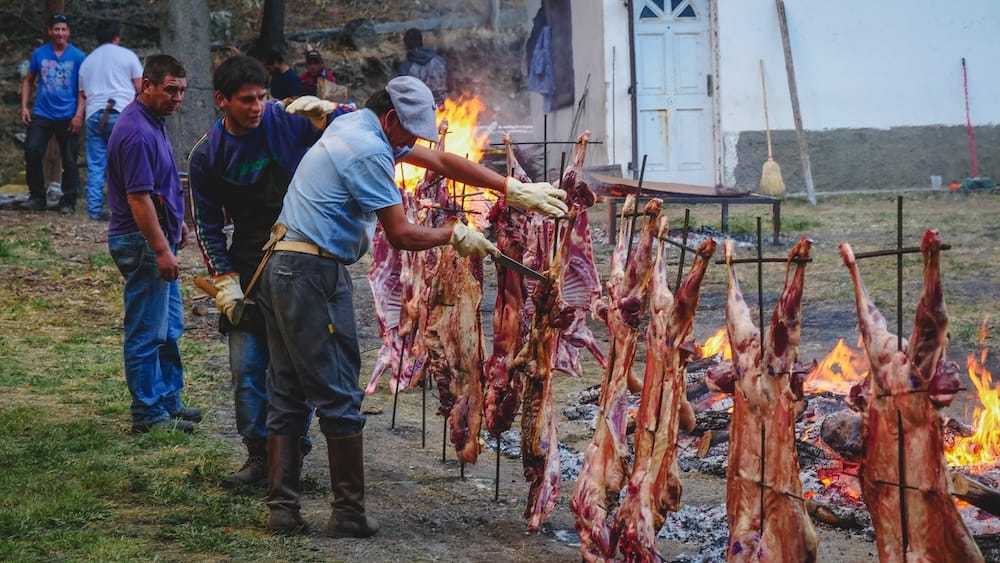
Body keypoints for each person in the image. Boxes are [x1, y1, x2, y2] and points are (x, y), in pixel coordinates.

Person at [256, 76, 567, 537]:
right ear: (391, 119)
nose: (416, 142)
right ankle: (348, 513)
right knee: (339, 390)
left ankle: (283, 509)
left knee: (287, 391)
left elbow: (441, 160)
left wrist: (511, 188)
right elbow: (400, 233)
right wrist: (452, 235)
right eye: (411, 131)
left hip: (287, 265)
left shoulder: (356, 125)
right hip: (307, 274)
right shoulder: (366, 149)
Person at [188, 55, 350, 488]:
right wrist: (223, 280)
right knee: (247, 369)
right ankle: (259, 455)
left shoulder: (287, 119)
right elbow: (205, 223)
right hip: (248, 268)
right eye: (246, 100)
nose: (257, 106)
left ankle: (292, 450)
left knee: (299, 368)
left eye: (262, 97)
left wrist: (329, 111)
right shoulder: (208, 154)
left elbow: (357, 126)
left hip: (304, 260)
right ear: (223, 100)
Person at [106, 54, 201, 434]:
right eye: (170, 89)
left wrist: (177, 225)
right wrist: (161, 248)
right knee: (147, 330)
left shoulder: (155, 120)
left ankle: (167, 400)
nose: (177, 98)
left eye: (182, 91)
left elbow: (160, 187)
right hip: (141, 242)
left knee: (169, 326)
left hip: (158, 237)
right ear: (147, 85)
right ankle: (147, 414)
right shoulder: (136, 132)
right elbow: (138, 199)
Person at [17, 13, 86, 214]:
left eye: (63, 29)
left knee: (70, 159)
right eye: (56, 29)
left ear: (69, 32)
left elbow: (84, 90)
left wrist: (79, 115)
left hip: (68, 114)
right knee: (32, 150)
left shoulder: (78, 56)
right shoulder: (40, 53)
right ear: (50, 31)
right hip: (42, 113)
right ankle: (37, 196)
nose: (60, 33)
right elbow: (28, 80)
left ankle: (68, 201)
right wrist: (24, 106)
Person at [78, 20, 142, 221]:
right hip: (121, 112)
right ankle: (123, 210)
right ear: (117, 37)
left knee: (96, 165)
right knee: (125, 164)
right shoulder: (128, 56)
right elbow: (140, 88)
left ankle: (95, 211)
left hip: (94, 113)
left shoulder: (87, 61)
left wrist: (79, 115)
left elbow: (82, 93)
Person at [397, 28, 448, 106]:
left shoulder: (405, 69)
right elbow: (451, 83)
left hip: (420, 109)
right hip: (444, 106)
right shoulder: (439, 61)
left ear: (405, 45)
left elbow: (401, 94)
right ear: (421, 41)